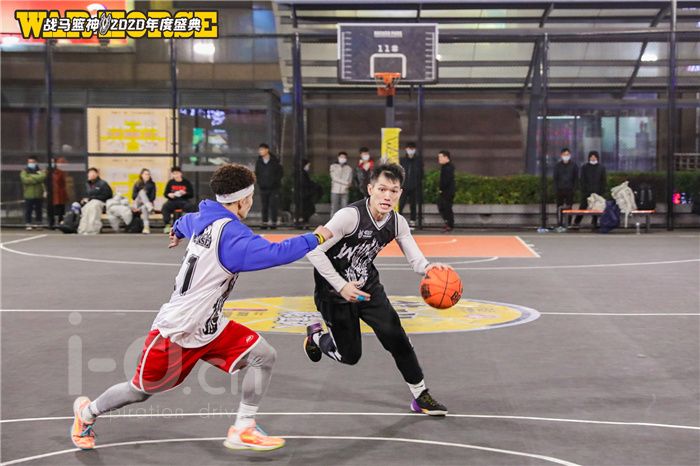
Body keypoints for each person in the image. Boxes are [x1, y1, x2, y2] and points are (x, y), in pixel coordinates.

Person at [70, 163, 333, 452]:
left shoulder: (205, 218)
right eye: (250, 197)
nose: (251, 202)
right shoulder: (232, 235)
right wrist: (315, 237)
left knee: (264, 356)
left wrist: (176, 229)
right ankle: (87, 412)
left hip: (209, 325)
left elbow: (186, 220)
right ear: (242, 200)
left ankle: (243, 428)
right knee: (139, 391)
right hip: (177, 330)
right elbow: (275, 253)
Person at [303, 163, 448, 416]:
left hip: (368, 287)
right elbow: (314, 250)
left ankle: (421, 396)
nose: (387, 196)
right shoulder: (349, 217)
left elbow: (416, 260)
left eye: (393, 190)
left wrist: (430, 268)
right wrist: (341, 286)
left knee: (397, 337)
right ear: (370, 189)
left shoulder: (397, 223)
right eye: (382, 189)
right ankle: (316, 338)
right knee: (350, 356)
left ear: (400, 193)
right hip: (334, 293)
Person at [574, 151, 607, 229]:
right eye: (591, 156)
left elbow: (603, 180)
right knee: (583, 206)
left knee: (596, 208)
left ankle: (594, 223)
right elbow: (582, 179)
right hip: (586, 192)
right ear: (589, 158)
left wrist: (601, 191)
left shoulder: (601, 168)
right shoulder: (584, 167)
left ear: (597, 157)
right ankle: (576, 222)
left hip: (597, 192)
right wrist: (584, 190)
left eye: (594, 156)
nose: (593, 158)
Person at [254, 143, 283, 229]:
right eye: (260, 150)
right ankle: (264, 223)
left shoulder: (274, 161)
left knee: (273, 205)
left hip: (274, 188)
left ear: (267, 150)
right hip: (263, 187)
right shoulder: (259, 162)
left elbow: (280, 173)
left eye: (262, 149)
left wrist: (275, 182)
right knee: (264, 206)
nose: (260, 151)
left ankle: (273, 223)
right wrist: (260, 182)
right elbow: (257, 173)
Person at [78, 167, 113, 235]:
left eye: (93, 173)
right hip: (90, 202)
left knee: (93, 208)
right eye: (90, 173)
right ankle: (83, 229)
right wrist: (85, 200)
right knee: (85, 209)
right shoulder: (87, 184)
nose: (92, 175)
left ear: (97, 174)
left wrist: (92, 198)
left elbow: (108, 195)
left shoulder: (103, 184)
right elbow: (86, 195)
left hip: (100, 202)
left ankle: (93, 230)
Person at [162, 166, 196, 234]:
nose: (176, 175)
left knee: (191, 207)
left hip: (183, 201)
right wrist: (169, 195)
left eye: (177, 173)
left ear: (181, 173)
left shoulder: (186, 182)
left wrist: (185, 193)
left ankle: (190, 225)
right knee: (165, 207)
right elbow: (165, 193)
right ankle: (167, 225)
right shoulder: (170, 182)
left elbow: (191, 194)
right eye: (174, 174)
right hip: (172, 201)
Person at [553, 147, 578, 232]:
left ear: (570, 155)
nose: (566, 156)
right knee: (559, 207)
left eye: (567, 154)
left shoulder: (574, 165)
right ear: (561, 155)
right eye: (564, 154)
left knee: (569, 207)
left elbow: (576, 178)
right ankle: (559, 223)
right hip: (560, 190)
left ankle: (568, 223)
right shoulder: (557, 166)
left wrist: (574, 189)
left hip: (570, 190)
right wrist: (556, 189)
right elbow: (555, 178)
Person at [399, 142, 423, 226]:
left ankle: (413, 221)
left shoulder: (418, 161)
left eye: (412, 149)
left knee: (413, 205)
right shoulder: (402, 160)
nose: (410, 151)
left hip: (414, 186)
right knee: (401, 204)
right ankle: (398, 221)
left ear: (415, 150)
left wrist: (417, 183)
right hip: (404, 186)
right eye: (409, 149)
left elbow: (421, 173)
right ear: (406, 149)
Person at [20, 157, 46, 230]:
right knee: (28, 210)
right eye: (29, 162)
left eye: (33, 162)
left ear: (36, 162)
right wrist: (37, 178)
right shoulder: (24, 171)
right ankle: (28, 223)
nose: (31, 163)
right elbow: (25, 180)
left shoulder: (40, 170)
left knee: (39, 210)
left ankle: (39, 223)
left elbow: (43, 177)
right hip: (28, 194)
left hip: (38, 194)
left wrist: (31, 177)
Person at [132, 168, 156, 234]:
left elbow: (153, 197)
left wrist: (145, 201)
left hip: (145, 204)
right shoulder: (137, 183)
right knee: (141, 192)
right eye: (145, 174)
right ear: (141, 175)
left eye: (148, 174)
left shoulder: (152, 184)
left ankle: (146, 228)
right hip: (137, 203)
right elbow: (133, 196)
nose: (147, 176)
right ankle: (150, 207)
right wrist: (142, 197)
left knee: (144, 208)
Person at [330, 151, 353, 215]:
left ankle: (344, 221)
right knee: (334, 207)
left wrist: (348, 185)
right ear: (338, 157)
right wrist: (346, 183)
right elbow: (334, 178)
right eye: (341, 157)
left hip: (345, 190)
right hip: (335, 190)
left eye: (344, 157)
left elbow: (350, 180)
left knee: (345, 208)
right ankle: (333, 220)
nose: (342, 158)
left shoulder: (349, 168)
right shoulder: (333, 166)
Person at [437, 150, 455, 233]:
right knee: (442, 206)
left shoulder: (448, 167)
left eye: (441, 157)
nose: (439, 159)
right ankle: (448, 223)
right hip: (445, 191)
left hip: (448, 192)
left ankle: (450, 224)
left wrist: (441, 188)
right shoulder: (445, 167)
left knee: (446, 208)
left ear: (446, 157)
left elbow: (446, 180)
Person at [300, 159, 322, 224]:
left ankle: (304, 221)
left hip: (306, 194)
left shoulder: (303, 173)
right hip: (305, 194)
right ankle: (304, 221)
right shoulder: (302, 174)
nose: (308, 167)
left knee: (307, 209)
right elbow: (305, 183)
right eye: (308, 165)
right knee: (307, 209)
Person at [52, 157, 68, 224]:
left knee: (60, 208)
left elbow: (60, 181)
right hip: (54, 193)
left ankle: (60, 221)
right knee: (56, 208)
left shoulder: (60, 172)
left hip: (59, 193)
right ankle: (56, 222)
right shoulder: (52, 171)